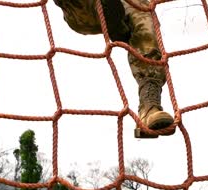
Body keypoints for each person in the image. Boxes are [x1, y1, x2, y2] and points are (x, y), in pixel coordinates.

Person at [53, 0, 175, 137]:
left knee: (143, 10)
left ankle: (149, 106)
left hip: (123, 4)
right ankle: (118, 25)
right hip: (82, 8)